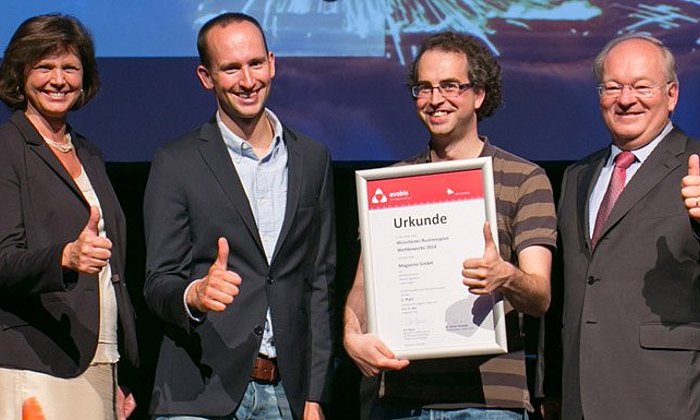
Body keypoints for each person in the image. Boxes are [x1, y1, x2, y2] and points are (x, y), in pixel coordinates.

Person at [343, 31, 557, 419]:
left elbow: (539, 296)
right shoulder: (391, 183)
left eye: (450, 86)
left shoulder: (524, 177)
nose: (435, 99)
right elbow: (363, 285)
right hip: (401, 399)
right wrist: (351, 333)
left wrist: (505, 277)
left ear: (479, 95)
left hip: (488, 405)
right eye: (423, 88)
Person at [143, 12, 336, 420]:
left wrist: (315, 395)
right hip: (198, 394)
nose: (247, 81)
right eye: (230, 68)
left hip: (288, 395)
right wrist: (193, 295)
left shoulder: (312, 158)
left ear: (272, 63)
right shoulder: (176, 161)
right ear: (205, 76)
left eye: (255, 64)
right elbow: (158, 282)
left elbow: (318, 282)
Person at [0, 14, 139, 420]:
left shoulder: (88, 152)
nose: (58, 79)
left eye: (69, 68)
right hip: (35, 363)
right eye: (44, 66)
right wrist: (65, 257)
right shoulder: (7, 149)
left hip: (97, 360)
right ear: (19, 73)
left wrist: (117, 368)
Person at [557, 34, 700, 419]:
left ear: (671, 95)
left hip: (666, 394)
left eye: (641, 86)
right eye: (613, 87)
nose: (625, 99)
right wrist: (550, 388)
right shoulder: (576, 176)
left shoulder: (696, 165)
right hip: (578, 397)